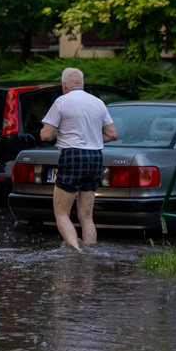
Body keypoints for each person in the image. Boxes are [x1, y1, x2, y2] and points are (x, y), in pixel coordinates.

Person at [40, 68, 118, 250]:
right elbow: (113, 134)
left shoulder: (62, 101)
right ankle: (90, 255)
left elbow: (45, 135)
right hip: (96, 156)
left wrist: (58, 135)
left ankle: (75, 253)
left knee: (61, 213)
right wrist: (93, 138)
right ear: (82, 83)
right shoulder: (98, 102)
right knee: (87, 216)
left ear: (64, 85)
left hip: (73, 155)